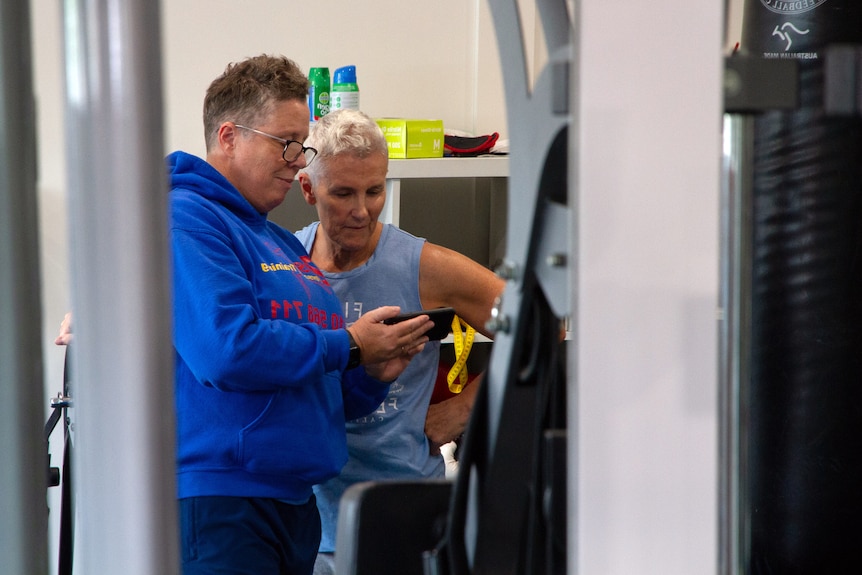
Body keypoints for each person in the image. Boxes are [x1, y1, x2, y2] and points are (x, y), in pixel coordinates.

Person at [293, 109, 506, 573]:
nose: (362, 209)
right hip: (308, 521)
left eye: (374, 190)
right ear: (308, 189)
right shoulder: (286, 264)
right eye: (343, 193)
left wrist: (464, 408)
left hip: (405, 513)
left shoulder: (423, 265)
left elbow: (540, 327)